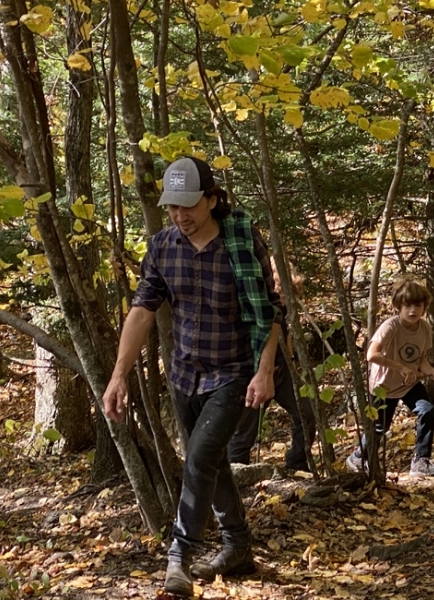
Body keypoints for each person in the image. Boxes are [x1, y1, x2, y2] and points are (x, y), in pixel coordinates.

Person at [102, 156, 282, 597]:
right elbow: (143, 309)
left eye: (189, 205)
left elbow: (272, 312)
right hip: (184, 376)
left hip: (233, 373)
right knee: (213, 462)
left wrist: (264, 371)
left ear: (211, 199)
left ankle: (179, 556)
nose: (180, 215)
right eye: (172, 207)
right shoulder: (163, 246)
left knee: (199, 458)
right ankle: (238, 546)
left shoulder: (240, 243)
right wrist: (118, 375)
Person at [345, 277, 434, 477]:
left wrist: (433, 372)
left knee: (427, 410)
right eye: (407, 305)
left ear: (425, 307)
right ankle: (358, 456)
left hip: (409, 384)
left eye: (418, 305)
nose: (413, 310)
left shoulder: (425, 328)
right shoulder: (390, 327)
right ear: (397, 306)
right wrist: (401, 368)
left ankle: (420, 461)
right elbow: (371, 355)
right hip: (384, 386)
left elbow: (421, 360)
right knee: (380, 428)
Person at [227, 260, 316, 471]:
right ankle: (237, 475)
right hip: (254, 373)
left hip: (281, 371)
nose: (286, 300)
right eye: (283, 294)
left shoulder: (283, 310)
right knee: (243, 433)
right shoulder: (256, 306)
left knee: (306, 413)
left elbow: (285, 337)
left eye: (290, 294)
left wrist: (292, 368)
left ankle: (297, 464)